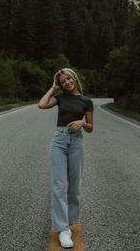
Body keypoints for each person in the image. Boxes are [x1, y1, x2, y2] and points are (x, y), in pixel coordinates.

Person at [38, 68, 94, 248]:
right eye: (63, 82)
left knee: (74, 186)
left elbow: (91, 127)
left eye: (69, 79)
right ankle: (63, 229)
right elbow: (41, 104)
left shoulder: (86, 101)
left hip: (77, 141)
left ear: (75, 78)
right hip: (59, 141)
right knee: (58, 185)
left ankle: (69, 224)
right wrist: (53, 88)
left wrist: (83, 122)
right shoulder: (60, 97)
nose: (67, 83)